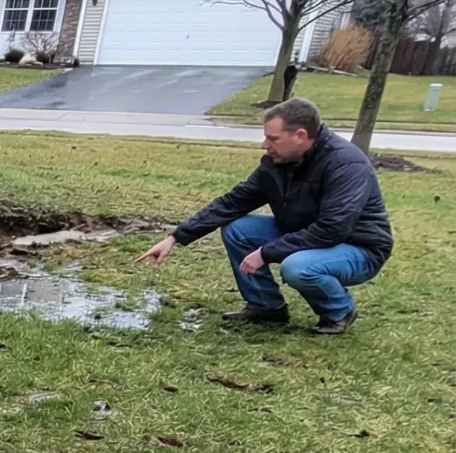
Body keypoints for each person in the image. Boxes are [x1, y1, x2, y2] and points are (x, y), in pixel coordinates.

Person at [138, 97, 392, 335]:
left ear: (300, 136)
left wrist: (265, 253)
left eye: (273, 138)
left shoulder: (346, 164)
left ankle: (339, 311)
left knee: (297, 267)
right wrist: (176, 237)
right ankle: (266, 308)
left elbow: (332, 229)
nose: (264, 144)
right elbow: (233, 202)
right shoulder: (279, 162)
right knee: (238, 229)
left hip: (358, 248)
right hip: (305, 234)